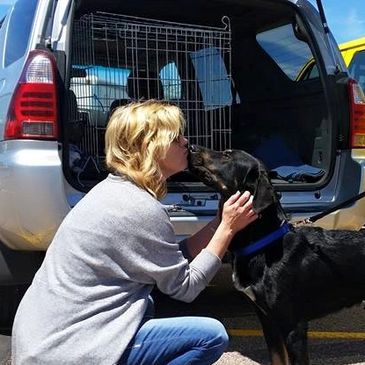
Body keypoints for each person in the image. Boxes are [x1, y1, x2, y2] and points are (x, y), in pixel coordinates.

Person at [11, 100, 258, 365]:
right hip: (67, 351)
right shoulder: (140, 208)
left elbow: (170, 258)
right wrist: (227, 229)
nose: (186, 142)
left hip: (42, 343)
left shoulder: (114, 191)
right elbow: (185, 288)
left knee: (145, 305)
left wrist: (216, 224)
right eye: (175, 138)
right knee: (210, 336)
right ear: (148, 147)